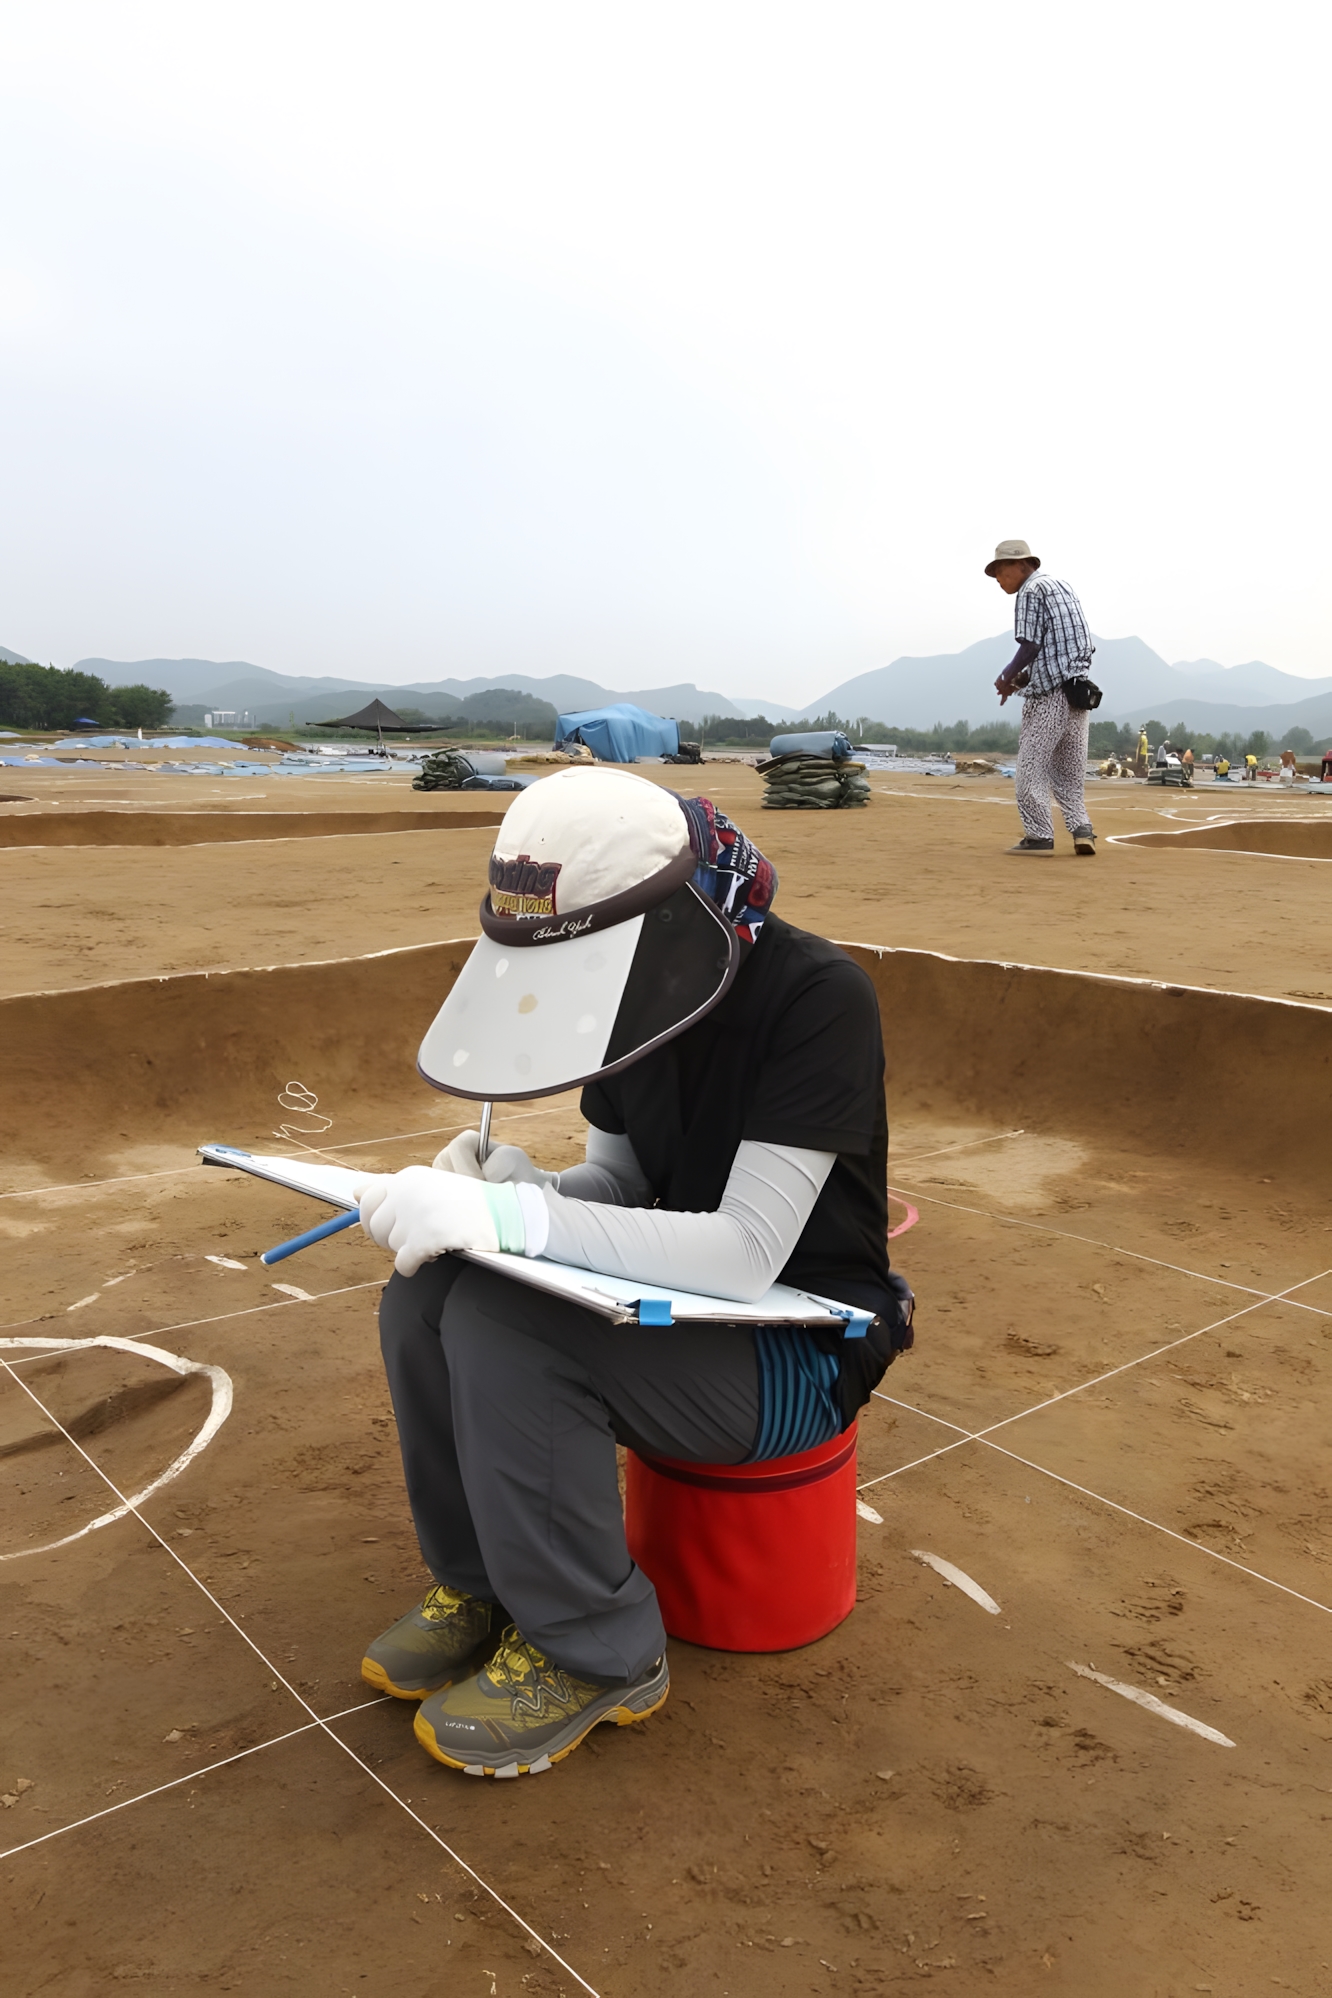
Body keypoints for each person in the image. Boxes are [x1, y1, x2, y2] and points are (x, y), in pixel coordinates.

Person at [350, 768, 915, 1778]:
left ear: (668, 920)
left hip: (800, 1348)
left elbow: (744, 1250)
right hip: (675, 1314)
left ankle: (597, 1650)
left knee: (504, 1321)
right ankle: (483, 1585)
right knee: (427, 1287)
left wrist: (516, 1220)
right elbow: (620, 1182)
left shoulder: (817, 1000)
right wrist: (525, 1188)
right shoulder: (626, 992)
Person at [988, 539, 1097, 855]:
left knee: (1030, 770)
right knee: (1068, 773)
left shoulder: (1030, 590)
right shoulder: (1061, 587)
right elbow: (1063, 647)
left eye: (1002, 570)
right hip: (1078, 693)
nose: (999, 579)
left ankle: (1038, 836)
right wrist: (1023, 677)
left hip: (1049, 697)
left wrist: (1007, 675)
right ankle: (1082, 830)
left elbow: (1031, 645)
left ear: (1023, 564)